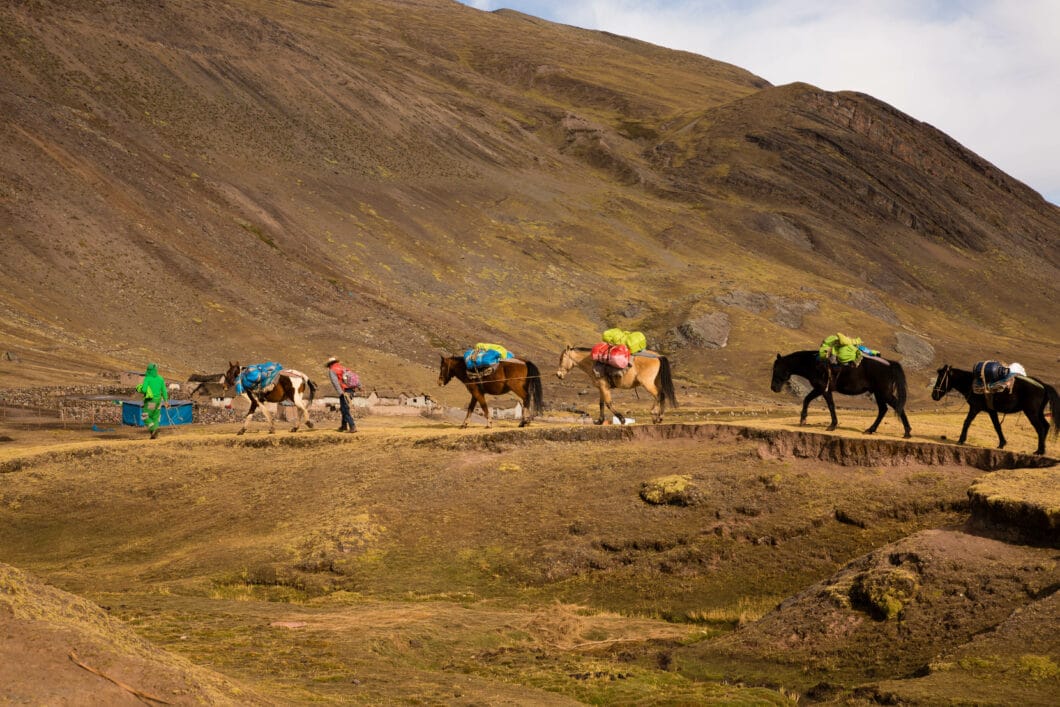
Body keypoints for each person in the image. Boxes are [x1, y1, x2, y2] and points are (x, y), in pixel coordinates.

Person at [135, 363, 169, 439]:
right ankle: (154, 434)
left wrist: (139, 388)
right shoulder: (160, 378)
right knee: (155, 417)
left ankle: (153, 429)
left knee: (145, 415)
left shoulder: (147, 378)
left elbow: (144, 390)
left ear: (149, 370)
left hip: (151, 401)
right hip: (159, 401)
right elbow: (164, 390)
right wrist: (166, 401)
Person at [325, 356, 358, 433]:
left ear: (330, 364)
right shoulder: (344, 368)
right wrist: (359, 386)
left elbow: (335, 382)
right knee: (344, 408)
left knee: (345, 409)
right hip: (351, 390)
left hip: (344, 391)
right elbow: (354, 377)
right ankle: (343, 426)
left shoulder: (332, 370)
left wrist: (341, 393)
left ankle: (352, 426)